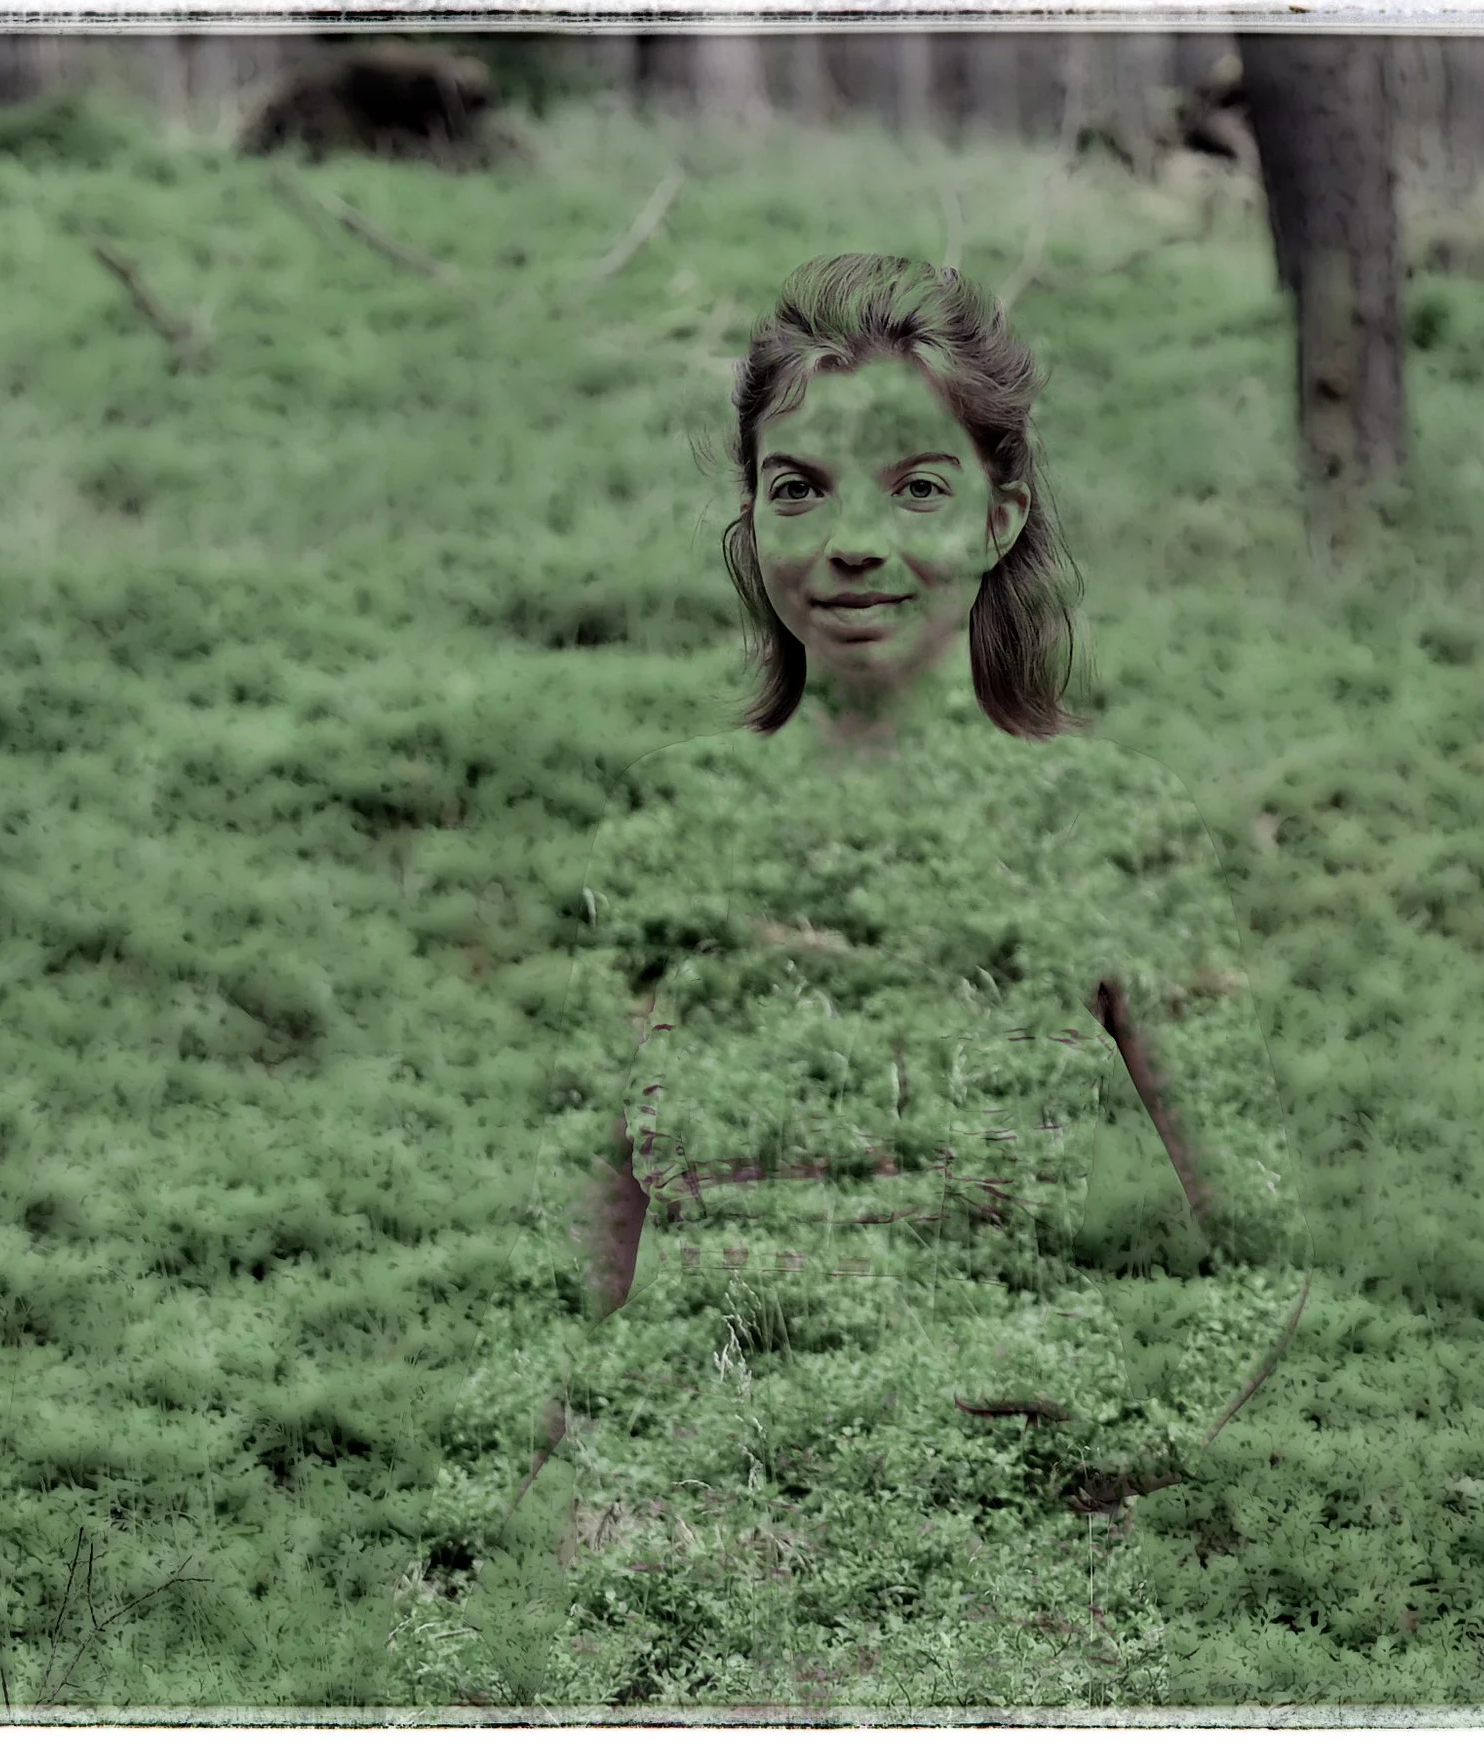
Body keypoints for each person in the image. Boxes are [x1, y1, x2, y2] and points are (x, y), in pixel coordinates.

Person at [528, 255, 1307, 1703]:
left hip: (987, 1575)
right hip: (680, 1560)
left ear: (1000, 517)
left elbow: (1264, 1231)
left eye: (916, 489)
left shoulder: (1099, 828)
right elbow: (588, 1223)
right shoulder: (674, 821)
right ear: (752, 512)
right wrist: (547, 1485)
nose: (851, 544)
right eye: (799, 488)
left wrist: (1124, 1455)